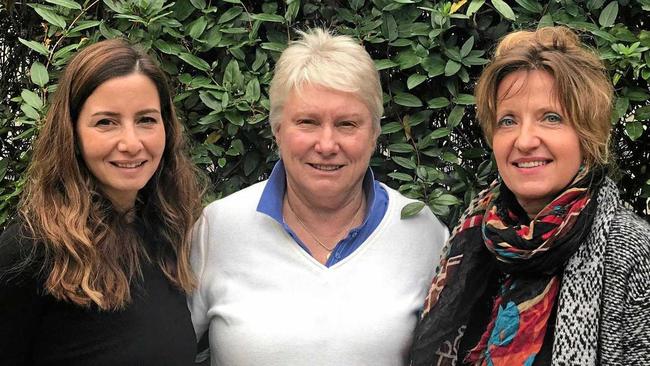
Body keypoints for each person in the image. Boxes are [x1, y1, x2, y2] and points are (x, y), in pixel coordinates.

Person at [189, 28, 449, 365]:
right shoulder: (219, 228)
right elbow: (159, 349)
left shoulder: (422, 232)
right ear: (277, 129)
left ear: (374, 134)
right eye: (308, 122)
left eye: (346, 124)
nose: (326, 145)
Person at [410, 26, 650, 365]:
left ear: (587, 133)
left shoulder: (633, 251)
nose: (524, 141)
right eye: (508, 121)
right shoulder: (472, 236)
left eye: (550, 118)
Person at [0, 39, 204, 365]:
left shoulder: (168, 237)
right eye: (106, 122)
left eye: (146, 120)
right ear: (72, 135)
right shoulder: (31, 252)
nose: (131, 143)